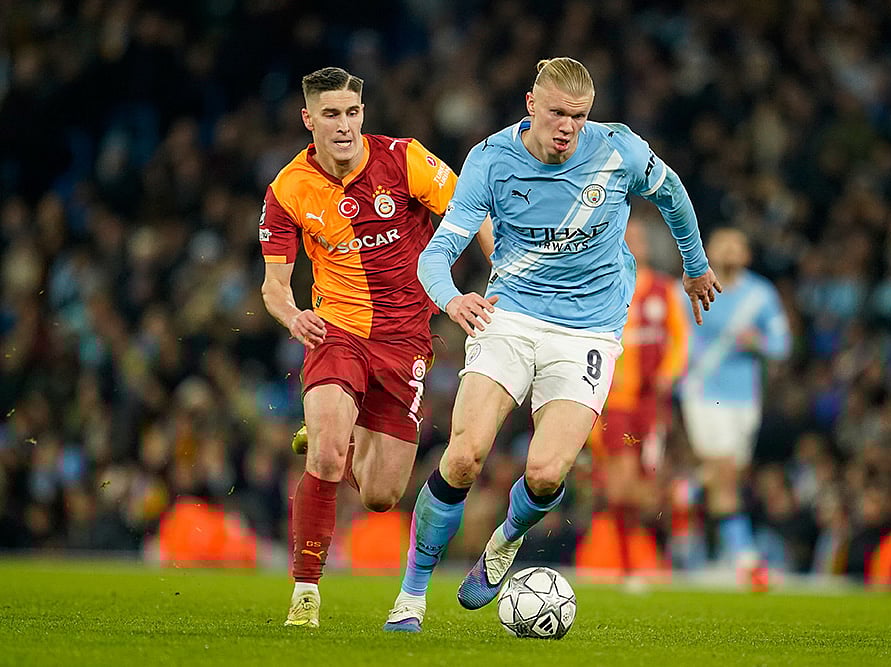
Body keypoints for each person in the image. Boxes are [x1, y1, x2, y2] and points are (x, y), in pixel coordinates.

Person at [382, 57, 721, 633]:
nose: (568, 126)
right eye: (559, 113)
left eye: (579, 116)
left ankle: (506, 538)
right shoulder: (490, 161)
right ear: (531, 104)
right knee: (463, 456)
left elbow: (675, 197)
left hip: (588, 330)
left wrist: (695, 265)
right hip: (509, 315)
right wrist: (452, 298)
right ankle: (411, 597)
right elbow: (436, 254)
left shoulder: (619, 150)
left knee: (544, 474)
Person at [258, 66, 490, 628]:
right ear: (308, 118)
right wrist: (293, 316)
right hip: (335, 329)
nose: (344, 126)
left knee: (382, 497)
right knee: (328, 458)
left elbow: (472, 212)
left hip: (406, 337)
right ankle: (305, 592)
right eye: (331, 114)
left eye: (353, 113)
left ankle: (332, 432)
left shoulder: (404, 159)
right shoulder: (287, 189)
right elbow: (273, 286)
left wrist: (499, 272)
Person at [676, 226, 790, 582]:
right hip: (704, 392)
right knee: (726, 476)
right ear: (707, 249)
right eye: (721, 243)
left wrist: (756, 342)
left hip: (745, 399)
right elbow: (677, 335)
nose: (728, 249)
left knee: (728, 476)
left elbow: (781, 345)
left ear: (747, 254)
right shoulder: (689, 287)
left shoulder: (761, 295)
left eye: (736, 244)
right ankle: (746, 560)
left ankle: (688, 488)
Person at [586, 216, 690, 590]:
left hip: (650, 405)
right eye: (625, 238)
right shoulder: (601, 289)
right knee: (620, 487)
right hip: (613, 405)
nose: (633, 244)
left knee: (650, 492)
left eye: (638, 238)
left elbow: (680, 340)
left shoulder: (664, 291)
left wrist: (669, 373)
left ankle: (668, 553)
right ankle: (629, 567)